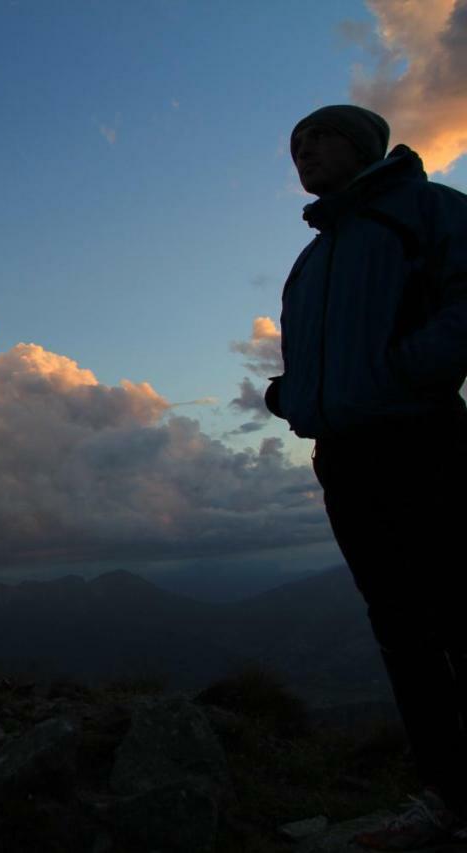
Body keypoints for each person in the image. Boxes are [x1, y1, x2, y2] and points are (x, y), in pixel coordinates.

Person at [266, 104, 467, 850]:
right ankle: (447, 798)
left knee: (456, 614)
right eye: (294, 146)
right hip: (345, 458)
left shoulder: (426, 210)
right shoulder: (312, 260)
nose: (302, 152)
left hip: (421, 438)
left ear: (361, 143)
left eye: (316, 137)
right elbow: (314, 358)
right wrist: (292, 397)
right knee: (401, 630)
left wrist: (406, 372)